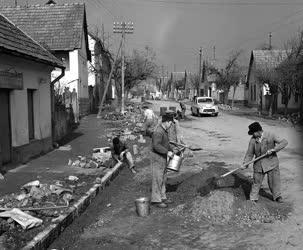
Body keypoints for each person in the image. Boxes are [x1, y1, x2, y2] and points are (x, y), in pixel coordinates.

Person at [242, 122, 288, 203]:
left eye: (253, 133)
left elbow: (284, 142)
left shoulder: (270, 135)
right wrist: (245, 163)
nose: (253, 135)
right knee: (256, 182)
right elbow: (249, 153)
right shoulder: (253, 140)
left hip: (272, 162)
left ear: (258, 131)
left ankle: (277, 196)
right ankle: (253, 199)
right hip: (259, 164)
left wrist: (274, 149)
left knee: (274, 182)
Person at [151, 114, 174, 208]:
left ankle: (163, 197)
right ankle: (156, 200)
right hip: (157, 157)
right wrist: (166, 152)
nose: (171, 125)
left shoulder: (164, 131)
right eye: (171, 123)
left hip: (162, 157)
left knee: (163, 178)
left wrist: (171, 150)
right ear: (167, 122)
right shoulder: (158, 132)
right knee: (157, 178)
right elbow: (156, 145)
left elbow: (165, 143)